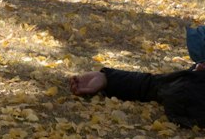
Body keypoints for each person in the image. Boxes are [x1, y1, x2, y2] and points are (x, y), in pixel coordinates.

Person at [70, 49, 205, 126]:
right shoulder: (193, 80)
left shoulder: (188, 92)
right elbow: (153, 85)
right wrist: (108, 79)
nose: (198, 66)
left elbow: (171, 92)